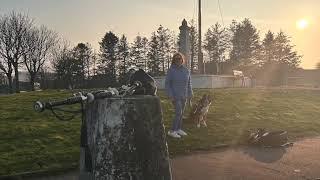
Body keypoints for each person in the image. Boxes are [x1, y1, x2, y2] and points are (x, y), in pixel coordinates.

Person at [165, 52, 193, 138]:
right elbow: (167, 84)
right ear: (174, 60)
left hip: (184, 95)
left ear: (182, 60)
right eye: (176, 59)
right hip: (175, 96)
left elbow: (189, 83)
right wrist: (170, 95)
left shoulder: (186, 70)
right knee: (178, 112)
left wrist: (190, 93)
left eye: (180, 59)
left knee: (181, 113)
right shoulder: (171, 70)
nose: (178, 60)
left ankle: (178, 129)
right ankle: (172, 131)